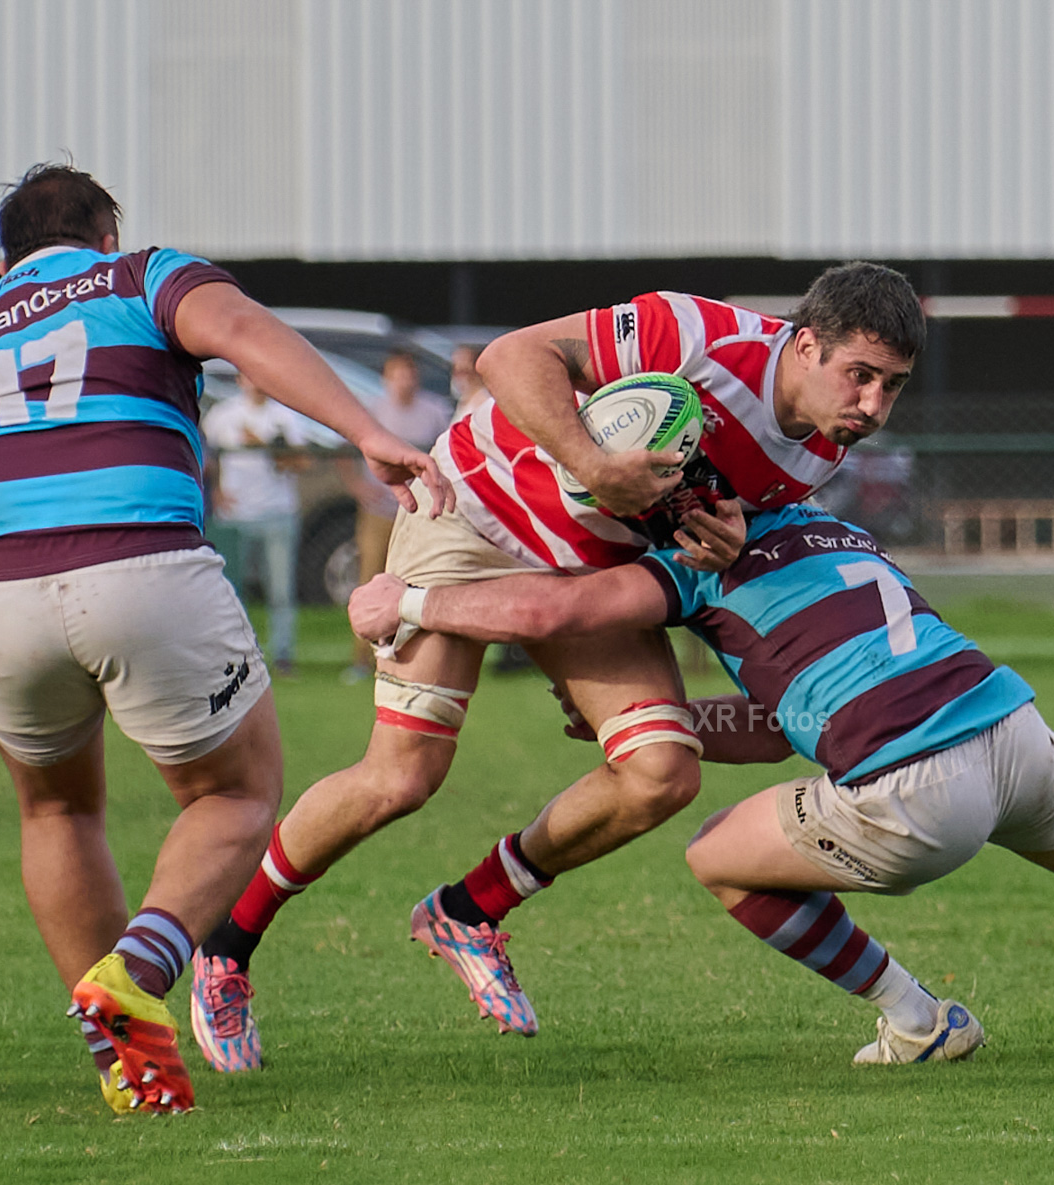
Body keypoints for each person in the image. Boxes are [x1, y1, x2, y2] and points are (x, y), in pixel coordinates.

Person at [0, 164, 447, 1115]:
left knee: (55, 812)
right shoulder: (141, 277)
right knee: (234, 793)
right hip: (137, 565)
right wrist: (364, 428)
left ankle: (129, 1063)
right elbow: (239, 332)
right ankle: (137, 974)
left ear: (2, 261)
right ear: (104, 237)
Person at [187, 263, 926, 1072]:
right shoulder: (700, 336)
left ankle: (467, 911)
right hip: (469, 515)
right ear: (806, 345)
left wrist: (723, 534)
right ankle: (226, 946)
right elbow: (509, 358)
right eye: (860, 377)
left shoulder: (824, 450)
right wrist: (592, 460)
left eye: (891, 387)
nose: (872, 407)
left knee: (661, 771)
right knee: (401, 777)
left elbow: (701, 517)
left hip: (581, 572)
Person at [349, 503, 1054, 1070]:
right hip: (1013, 727)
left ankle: (916, 1015)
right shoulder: (832, 526)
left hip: (915, 790)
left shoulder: (686, 565)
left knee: (716, 855)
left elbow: (544, 617)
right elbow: (787, 717)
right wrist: (678, 724)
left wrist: (415, 595)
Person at [340, 350, 454, 681]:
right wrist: (358, 488)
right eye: (397, 374)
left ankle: (418, 655)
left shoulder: (434, 411)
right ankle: (362, 659)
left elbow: (449, 451)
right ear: (387, 378)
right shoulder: (372, 410)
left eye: (409, 374)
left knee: (419, 581)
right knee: (370, 577)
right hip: (378, 511)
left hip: (419, 512)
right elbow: (342, 449)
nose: (405, 381)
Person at [204, 374, 312, 674]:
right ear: (239, 379)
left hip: (279, 512)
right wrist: (216, 492)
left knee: (280, 591)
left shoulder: (284, 416)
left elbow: (302, 463)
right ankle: (237, 655)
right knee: (231, 591)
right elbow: (208, 459)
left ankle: (283, 655)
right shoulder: (222, 415)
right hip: (236, 514)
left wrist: (264, 444)